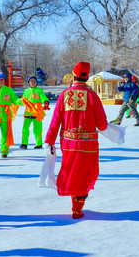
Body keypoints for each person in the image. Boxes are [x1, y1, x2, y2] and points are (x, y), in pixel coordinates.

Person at [45, 62, 109, 219]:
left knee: (72, 172)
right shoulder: (93, 96)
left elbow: (55, 121)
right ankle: (78, 207)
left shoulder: (64, 94)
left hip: (69, 143)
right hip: (88, 144)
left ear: (73, 76)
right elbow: (102, 124)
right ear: (87, 78)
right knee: (85, 174)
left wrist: (49, 140)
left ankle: (75, 206)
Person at [20, 75, 49, 149]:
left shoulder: (39, 90)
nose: (32, 83)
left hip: (37, 112)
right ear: (28, 83)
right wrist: (21, 102)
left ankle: (39, 143)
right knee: (25, 128)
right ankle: (24, 143)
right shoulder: (26, 91)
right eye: (31, 81)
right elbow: (23, 100)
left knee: (37, 128)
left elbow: (43, 97)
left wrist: (45, 101)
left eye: (34, 81)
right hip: (28, 112)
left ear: (36, 83)